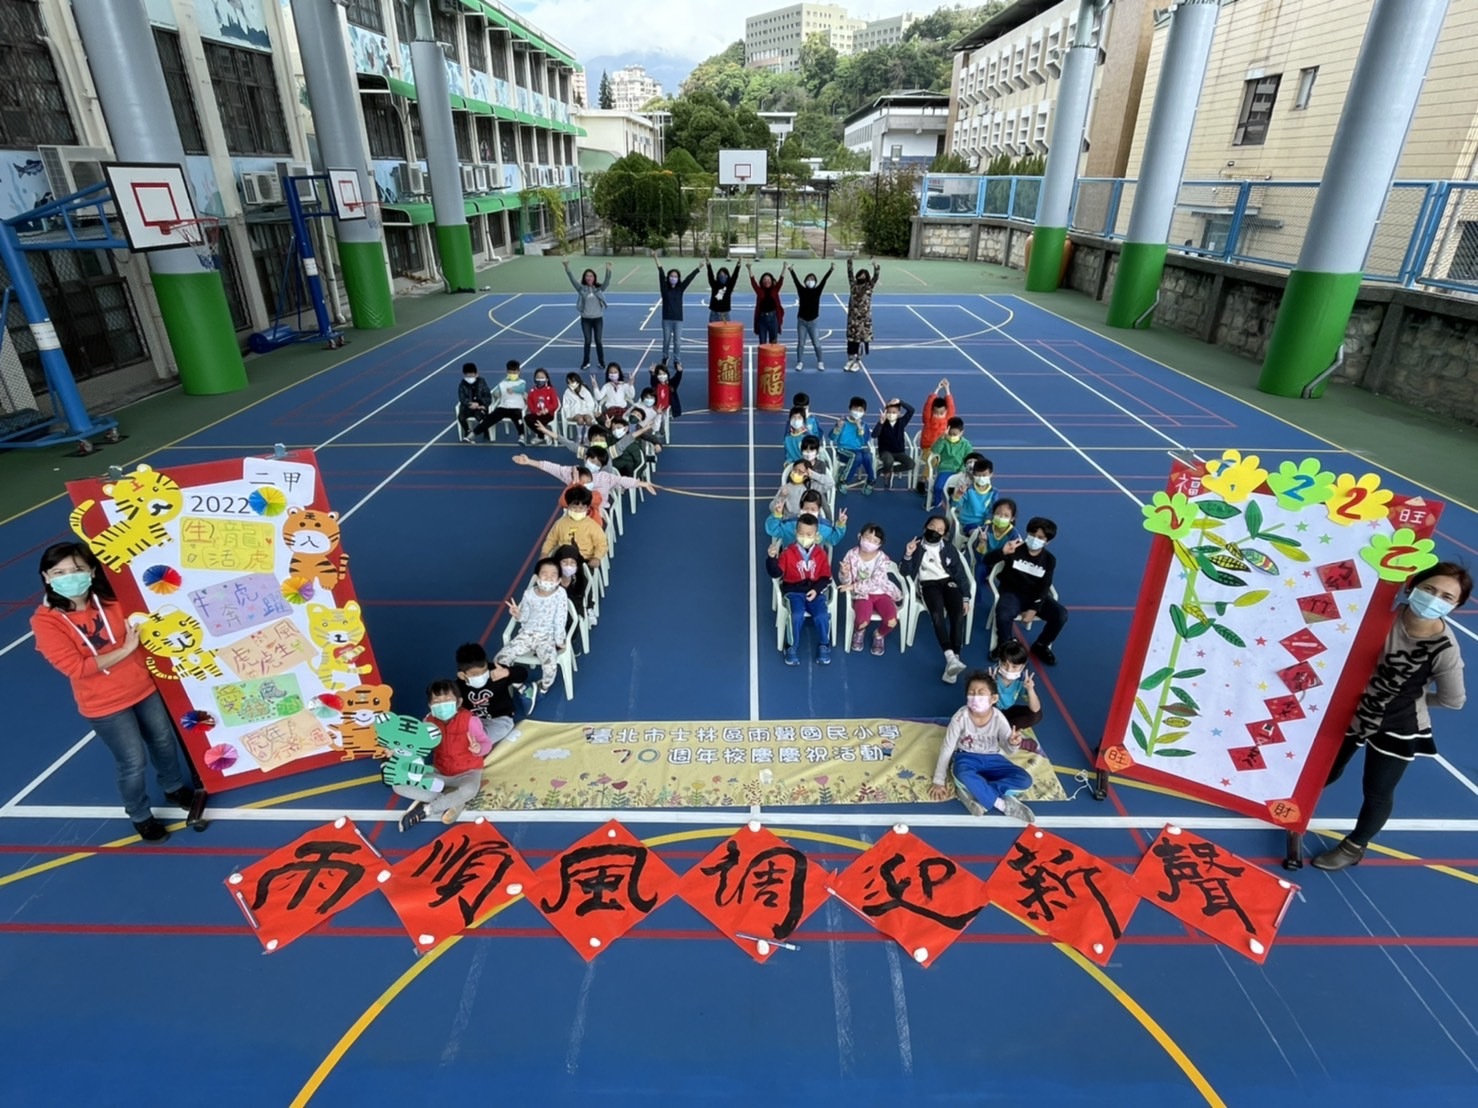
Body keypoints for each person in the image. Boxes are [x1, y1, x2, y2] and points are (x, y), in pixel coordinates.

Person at [32, 542, 204, 841]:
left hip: (144, 688)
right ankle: (140, 814)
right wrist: (126, 650)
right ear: (47, 577)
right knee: (132, 761)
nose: (69, 577)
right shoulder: (45, 622)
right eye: (59, 572)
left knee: (164, 742)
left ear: (92, 571)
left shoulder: (114, 601)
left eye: (77, 570)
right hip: (104, 705)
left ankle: (174, 786)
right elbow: (77, 668)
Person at [1312, 563, 1470, 872]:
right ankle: (1296, 807)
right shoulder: (1384, 617)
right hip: (1354, 712)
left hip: (1400, 726)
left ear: (1456, 606)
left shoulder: (1445, 647)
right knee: (1324, 769)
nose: (1435, 598)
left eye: (1446, 597)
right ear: (1412, 587)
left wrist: (1409, 699)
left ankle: (1355, 846)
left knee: (1377, 790)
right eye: (1429, 589)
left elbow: (1453, 700)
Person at [928, 671, 1035, 824]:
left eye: (981, 693)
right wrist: (938, 780)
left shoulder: (998, 717)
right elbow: (947, 747)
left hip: (993, 758)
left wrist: (1013, 743)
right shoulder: (960, 717)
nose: (975, 696)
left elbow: (1010, 751)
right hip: (966, 758)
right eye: (971, 693)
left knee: (1024, 780)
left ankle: (977, 793)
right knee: (963, 774)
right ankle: (1002, 804)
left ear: (994, 698)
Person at [396, 679, 494, 831]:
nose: (442, 704)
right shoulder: (428, 722)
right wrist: (397, 750)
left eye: (447, 699)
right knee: (398, 784)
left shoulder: (470, 720)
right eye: (437, 700)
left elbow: (486, 744)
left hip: (467, 772)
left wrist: (478, 748)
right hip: (439, 772)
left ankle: (427, 810)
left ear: (459, 702)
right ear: (430, 705)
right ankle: (454, 800)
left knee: (470, 790)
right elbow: (416, 746)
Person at [982, 516, 1068, 666]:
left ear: (1047, 541)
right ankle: (1004, 645)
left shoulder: (1049, 560)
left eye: (1040, 537)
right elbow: (986, 561)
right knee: (1004, 614)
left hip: (1033, 596)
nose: (1035, 539)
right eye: (1032, 534)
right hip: (1011, 593)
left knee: (1061, 615)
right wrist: (1003, 552)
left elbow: (1045, 586)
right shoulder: (1014, 549)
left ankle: (1041, 645)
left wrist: (1034, 609)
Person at [901, 516, 973, 683]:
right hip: (928, 585)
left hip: (948, 582)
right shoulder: (916, 545)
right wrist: (907, 554)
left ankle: (954, 660)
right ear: (925, 527)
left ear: (945, 534)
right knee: (937, 614)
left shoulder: (948, 548)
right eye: (932, 527)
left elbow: (960, 574)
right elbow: (904, 572)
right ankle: (950, 658)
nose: (935, 531)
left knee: (958, 614)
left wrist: (966, 597)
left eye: (940, 530)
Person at [495, 558, 571, 693]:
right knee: (500, 659)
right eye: (544, 574)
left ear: (559, 580)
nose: (548, 578)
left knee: (550, 666)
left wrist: (559, 641)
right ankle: (522, 688)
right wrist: (517, 614)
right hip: (526, 635)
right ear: (537, 577)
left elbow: (560, 620)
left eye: (553, 575)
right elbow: (524, 617)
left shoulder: (560, 594)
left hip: (547, 637)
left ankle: (543, 687)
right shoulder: (529, 594)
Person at [766, 516, 833, 667]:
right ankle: (791, 646)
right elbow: (776, 573)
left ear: (816, 536)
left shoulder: (821, 555)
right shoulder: (788, 553)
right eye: (801, 533)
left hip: (815, 593)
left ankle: (824, 644)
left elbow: (826, 577)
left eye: (809, 535)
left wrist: (816, 590)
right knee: (795, 616)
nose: (805, 537)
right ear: (796, 532)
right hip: (793, 592)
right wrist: (772, 559)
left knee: (822, 616)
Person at [512, 451, 655, 518]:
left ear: (602, 466)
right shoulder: (574, 472)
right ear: (585, 458)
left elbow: (622, 480)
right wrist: (530, 462)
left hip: (596, 512)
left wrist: (641, 483)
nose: (594, 465)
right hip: (574, 509)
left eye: (598, 463)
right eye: (591, 460)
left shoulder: (605, 477)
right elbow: (551, 467)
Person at [839, 523, 904, 655]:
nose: (870, 543)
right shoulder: (851, 554)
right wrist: (844, 574)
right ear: (860, 536)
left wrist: (853, 586)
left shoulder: (882, 558)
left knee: (892, 621)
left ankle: (879, 635)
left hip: (882, 593)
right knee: (861, 621)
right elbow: (846, 582)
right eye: (868, 538)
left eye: (875, 541)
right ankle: (859, 632)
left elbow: (876, 582)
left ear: (879, 545)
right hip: (862, 595)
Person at [455, 642, 526, 743]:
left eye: (484, 671)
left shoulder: (496, 672)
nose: (482, 675)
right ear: (462, 675)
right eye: (475, 674)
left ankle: (479, 742)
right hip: (475, 721)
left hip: (500, 719)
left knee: (483, 739)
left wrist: (507, 672)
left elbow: (522, 674)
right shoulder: (459, 686)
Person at [540, 485, 607, 567]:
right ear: (568, 506)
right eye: (574, 507)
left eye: (581, 508)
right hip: (563, 559)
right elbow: (551, 539)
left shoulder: (592, 526)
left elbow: (601, 544)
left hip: (584, 560)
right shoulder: (560, 523)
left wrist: (597, 558)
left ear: (587, 508)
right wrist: (544, 553)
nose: (577, 510)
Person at [563, 258, 612, 370]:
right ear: (585, 278)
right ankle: (586, 362)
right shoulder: (581, 289)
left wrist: (608, 270)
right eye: (587, 276)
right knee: (588, 341)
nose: (589, 278)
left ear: (594, 278)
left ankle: (601, 362)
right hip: (586, 319)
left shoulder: (599, 289)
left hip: (598, 319)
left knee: (599, 341)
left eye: (591, 276)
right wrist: (567, 268)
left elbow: (607, 283)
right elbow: (572, 280)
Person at [654, 255, 701, 369]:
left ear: (678, 278)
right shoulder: (664, 289)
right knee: (666, 341)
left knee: (677, 342)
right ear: (668, 277)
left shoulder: (680, 289)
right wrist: (656, 258)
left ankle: (677, 360)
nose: (673, 278)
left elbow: (689, 279)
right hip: (666, 319)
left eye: (675, 276)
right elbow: (660, 273)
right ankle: (665, 358)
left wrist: (698, 268)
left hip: (678, 319)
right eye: (671, 276)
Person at [990, 640, 1043, 734]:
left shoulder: (1023, 679)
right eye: (1004, 664)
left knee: (1037, 715)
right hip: (992, 712)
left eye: (1014, 667)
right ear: (999, 661)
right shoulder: (991, 675)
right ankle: (999, 732)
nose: (1009, 670)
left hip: (1007, 711)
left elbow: (1035, 708)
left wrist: (1030, 689)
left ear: (1023, 666)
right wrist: (989, 686)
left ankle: (1004, 731)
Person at [790, 263, 833, 370]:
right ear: (805, 281)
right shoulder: (801, 290)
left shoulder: (817, 291)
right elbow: (795, 281)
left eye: (813, 279)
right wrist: (791, 270)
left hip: (813, 322)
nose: (811, 280)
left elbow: (824, 280)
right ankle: (799, 362)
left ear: (815, 282)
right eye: (809, 279)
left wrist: (830, 270)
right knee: (801, 343)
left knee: (816, 343)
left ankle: (820, 362)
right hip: (802, 321)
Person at [830, 396, 876, 495]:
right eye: (855, 409)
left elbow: (863, 442)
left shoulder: (864, 425)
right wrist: (837, 427)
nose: (857, 412)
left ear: (864, 412)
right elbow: (832, 437)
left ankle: (871, 481)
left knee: (867, 456)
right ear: (850, 409)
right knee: (857, 456)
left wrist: (859, 428)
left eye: (860, 410)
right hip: (843, 450)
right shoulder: (843, 423)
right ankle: (843, 481)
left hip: (857, 450)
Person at [917, 380, 955, 494]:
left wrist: (947, 389)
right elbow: (928, 406)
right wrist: (937, 389)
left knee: (953, 461)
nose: (938, 415)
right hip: (928, 449)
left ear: (946, 412)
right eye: (936, 412)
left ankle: (949, 483)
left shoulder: (948, 419)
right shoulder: (928, 419)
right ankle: (922, 480)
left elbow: (951, 407)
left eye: (941, 413)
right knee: (933, 459)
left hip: (943, 450)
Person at [766, 495, 847, 548]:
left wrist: (840, 525)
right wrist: (776, 515)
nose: (809, 512)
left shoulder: (824, 527)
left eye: (813, 509)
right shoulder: (789, 524)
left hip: (815, 566)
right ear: (800, 508)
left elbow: (833, 539)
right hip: (790, 563)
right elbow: (772, 530)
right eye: (806, 508)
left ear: (818, 510)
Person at [844, 257, 880, 372]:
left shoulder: (869, 286)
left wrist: (876, 267)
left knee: (860, 342)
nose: (862, 277)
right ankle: (850, 359)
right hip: (853, 319)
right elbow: (849, 273)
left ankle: (857, 361)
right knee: (851, 341)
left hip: (864, 321)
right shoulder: (853, 286)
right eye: (860, 275)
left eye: (864, 275)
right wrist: (850, 261)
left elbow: (876, 277)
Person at [929, 416, 972, 510]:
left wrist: (962, 470)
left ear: (961, 432)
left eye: (955, 434)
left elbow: (968, 460)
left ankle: (959, 505)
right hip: (945, 470)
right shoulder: (943, 441)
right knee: (938, 488)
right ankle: (938, 501)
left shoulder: (966, 445)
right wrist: (941, 438)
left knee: (966, 490)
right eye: (950, 433)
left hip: (960, 472)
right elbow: (934, 450)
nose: (952, 436)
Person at [953, 456, 998, 536]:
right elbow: (954, 505)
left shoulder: (994, 492)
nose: (981, 478)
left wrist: (987, 522)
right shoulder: (967, 489)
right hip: (968, 522)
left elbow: (992, 509)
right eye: (978, 475)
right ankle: (970, 546)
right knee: (977, 534)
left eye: (984, 475)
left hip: (985, 523)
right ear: (973, 475)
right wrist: (957, 495)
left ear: (991, 474)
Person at [487, 359, 528, 441]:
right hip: (504, 407)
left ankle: (522, 436)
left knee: (518, 418)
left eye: (514, 372)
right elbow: (496, 393)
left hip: (516, 407)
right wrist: (496, 394)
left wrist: (513, 389)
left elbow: (521, 389)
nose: (512, 374)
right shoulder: (503, 383)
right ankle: (473, 434)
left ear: (519, 371)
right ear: (507, 372)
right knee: (490, 417)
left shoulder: (522, 382)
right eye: (510, 372)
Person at [874, 397, 915, 479]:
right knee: (889, 461)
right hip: (885, 452)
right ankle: (887, 471)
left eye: (894, 412)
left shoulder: (901, 422)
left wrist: (901, 402)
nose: (891, 414)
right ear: (885, 413)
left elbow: (911, 410)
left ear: (899, 413)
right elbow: (874, 435)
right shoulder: (883, 423)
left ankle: (886, 470)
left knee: (911, 464)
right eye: (888, 412)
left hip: (899, 452)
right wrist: (880, 423)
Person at [749, 263, 789, 346]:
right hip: (762, 319)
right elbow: (753, 282)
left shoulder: (775, 290)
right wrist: (749, 269)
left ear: (771, 280)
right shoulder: (759, 291)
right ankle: (762, 359)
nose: (766, 281)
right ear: (762, 281)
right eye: (764, 279)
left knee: (773, 343)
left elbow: (781, 280)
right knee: (762, 343)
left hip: (773, 318)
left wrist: (784, 268)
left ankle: (773, 359)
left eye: (768, 279)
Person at [552, 542, 592, 619]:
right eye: (564, 562)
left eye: (572, 563)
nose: (568, 566)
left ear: (576, 566)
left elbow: (580, 605)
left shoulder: (581, 581)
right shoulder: (550, 580)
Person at [457, 361, 494, 443]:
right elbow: (462, 397)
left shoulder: (482, 382)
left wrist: (481, 404)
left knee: (480, 416)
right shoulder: (462, 384)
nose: (470, 378)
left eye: (471, 375)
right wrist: (469, 404)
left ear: (476, 373)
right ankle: (467, 431)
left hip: (480, 407)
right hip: (468, 407)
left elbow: (487, 396)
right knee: (461, 417)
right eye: (467, 376)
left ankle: (485, 431)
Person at [525, 368, 559, 444]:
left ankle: (540, 436)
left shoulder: (551, 390)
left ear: (546, 379)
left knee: (539, 422)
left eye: (542, 377)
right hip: (537, 413)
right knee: (527, 419)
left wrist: (547, 410)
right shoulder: (532, 391)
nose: (540, 379)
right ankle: (544, 435)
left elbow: (555, 404)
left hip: (548, 414)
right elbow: (530, 403)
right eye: (538, 377)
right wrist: (536, 412)